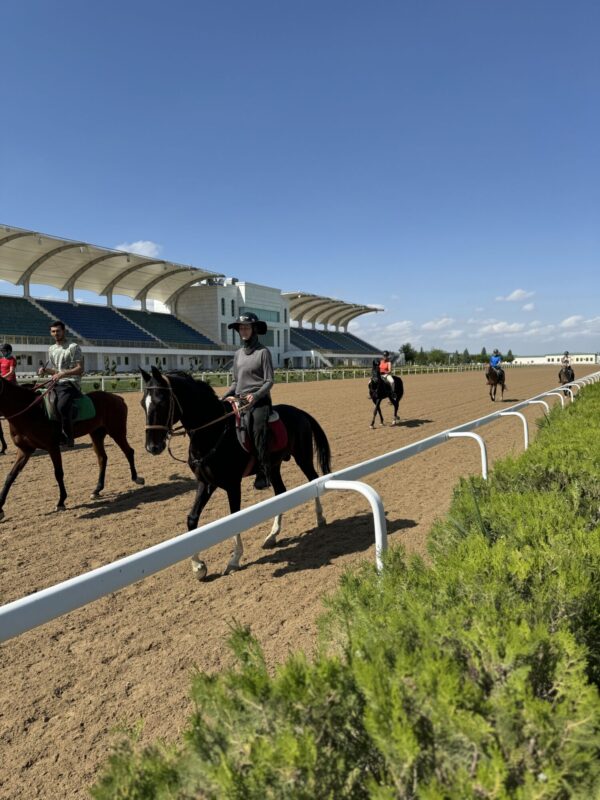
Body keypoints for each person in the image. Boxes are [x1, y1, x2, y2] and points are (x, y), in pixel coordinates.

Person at [222, 312, 274, 490]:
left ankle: (263, 471)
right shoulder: (237, 354)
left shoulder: (263, 352)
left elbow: (269, 381)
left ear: (254, 329)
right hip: (239, 399)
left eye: (246, 328)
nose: (243, 331)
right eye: (241, 328)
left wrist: (256, 395)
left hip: (259, 401)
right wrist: (224, 397)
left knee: (257, 428)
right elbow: (235, 382)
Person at [38, 320, 84, 447]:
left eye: (58, 331)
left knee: (62, 406)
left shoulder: (73, 347)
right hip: (56, 382)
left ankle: (68, 436)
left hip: (71, 383)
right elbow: (56, 371)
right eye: (53, 331)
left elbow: (80, 369)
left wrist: (63, 373)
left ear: (63, 331)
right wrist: (45, 370)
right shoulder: (51, 349)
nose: (56, 333)